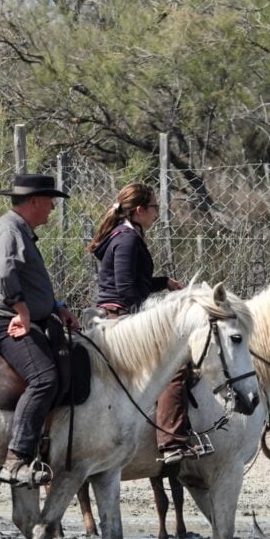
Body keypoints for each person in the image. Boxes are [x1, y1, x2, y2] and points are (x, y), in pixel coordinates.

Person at [0, 173, 80, 486]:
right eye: (50, 202)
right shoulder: (9, 229)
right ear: (34, 201)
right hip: (5, 319)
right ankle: (16, 459)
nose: (52, 208)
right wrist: (22, 313)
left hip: (22, 315)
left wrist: (57, 306)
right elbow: (6, 272)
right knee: (44, 379)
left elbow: (30, 280)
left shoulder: (19, 229)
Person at [87, 182, 204, 465]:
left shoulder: (127, 234)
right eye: (154, 207)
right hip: (122, 319)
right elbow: (128, 292)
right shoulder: (127, 240)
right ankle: (172, 442)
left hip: (117, 314)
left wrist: (162, 283)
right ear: (139, 210)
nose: (157, 213)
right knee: (173, 366)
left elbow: (131, 284)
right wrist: (161, 311)